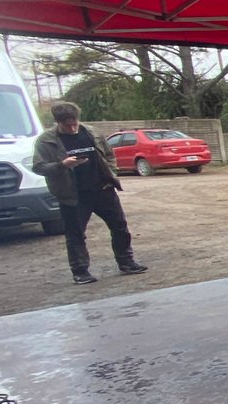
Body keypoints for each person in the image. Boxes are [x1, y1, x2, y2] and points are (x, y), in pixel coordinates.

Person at [31, 101, 147, 285]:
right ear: (58, 122)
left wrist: (111, 174)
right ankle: (80, 272)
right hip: (73, 195)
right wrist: (62, 165)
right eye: (67, 126)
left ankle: (127, 262)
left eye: (75, 124)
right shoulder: (46, 140)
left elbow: (109, 155)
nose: (72, 128)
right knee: (76, 234)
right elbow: (38, 167)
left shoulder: (92, 132)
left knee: (120, 227)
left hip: (103, 189)